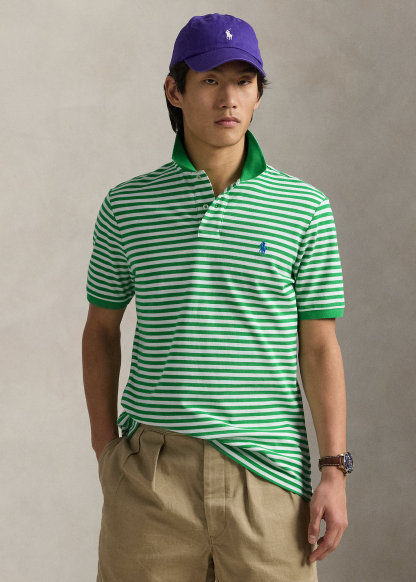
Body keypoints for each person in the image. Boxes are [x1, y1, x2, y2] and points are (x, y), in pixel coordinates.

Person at [82, 12, 352, 582]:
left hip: (269, 478)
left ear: (258, 95)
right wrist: (107, 451)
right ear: (174, 91)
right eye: (210, 80)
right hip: (152, 479)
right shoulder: (127, 206)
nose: (228, 98)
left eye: (243, 82)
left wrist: (333, 470)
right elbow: (100, 330)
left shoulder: (304, 209)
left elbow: (320, 347)